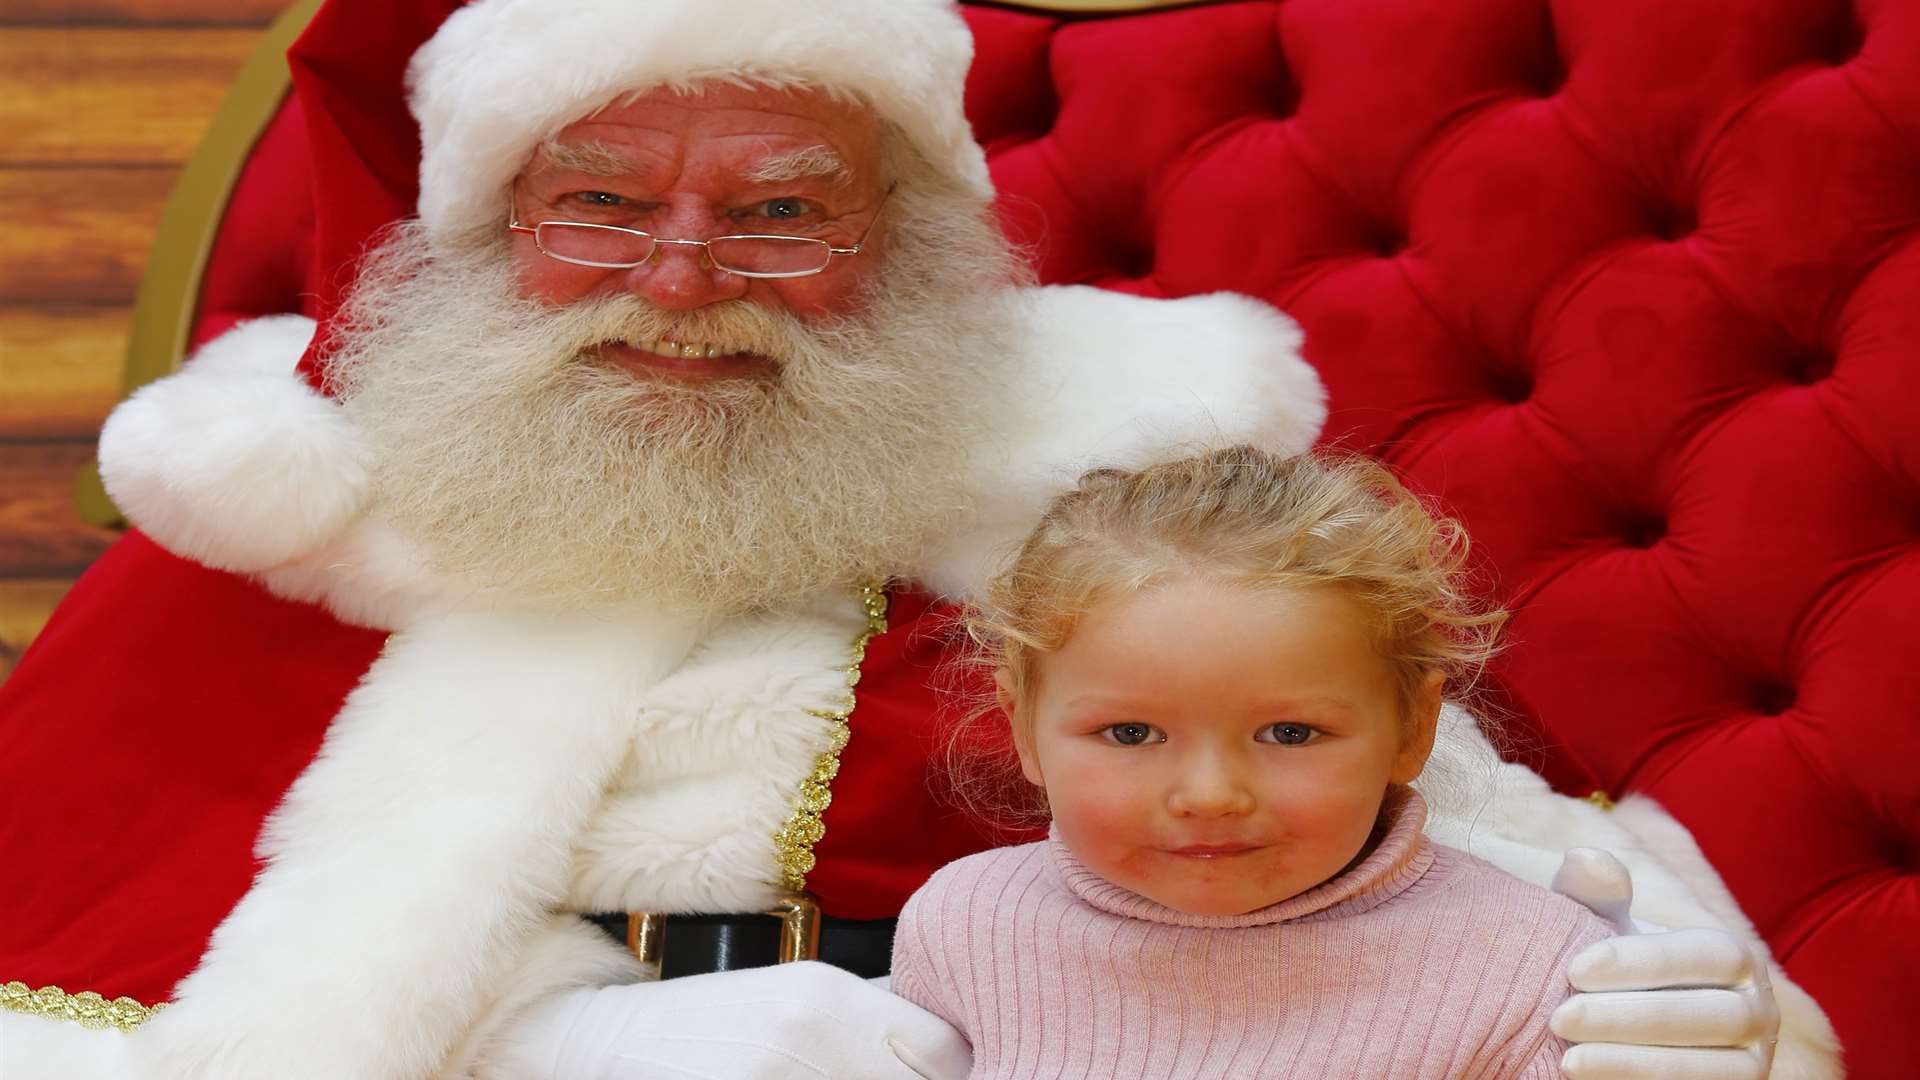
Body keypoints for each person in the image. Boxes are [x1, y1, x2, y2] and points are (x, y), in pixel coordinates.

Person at [0, 2, 1782, 1078]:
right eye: (600, 209)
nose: (682, 283)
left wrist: (1689, 1005)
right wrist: (558, 1045)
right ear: (473, 241)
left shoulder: (1093, 487)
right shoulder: (285, 531)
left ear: (915, 244)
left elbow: (1462, 837)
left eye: (781, 214)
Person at [893, 447, 1612, 1077]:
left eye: (1290, 734)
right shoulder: (966, 924)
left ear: (1413, 728)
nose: (1210, 796)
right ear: (1022, 728)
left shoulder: (1534, 968)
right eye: (1132, 734)